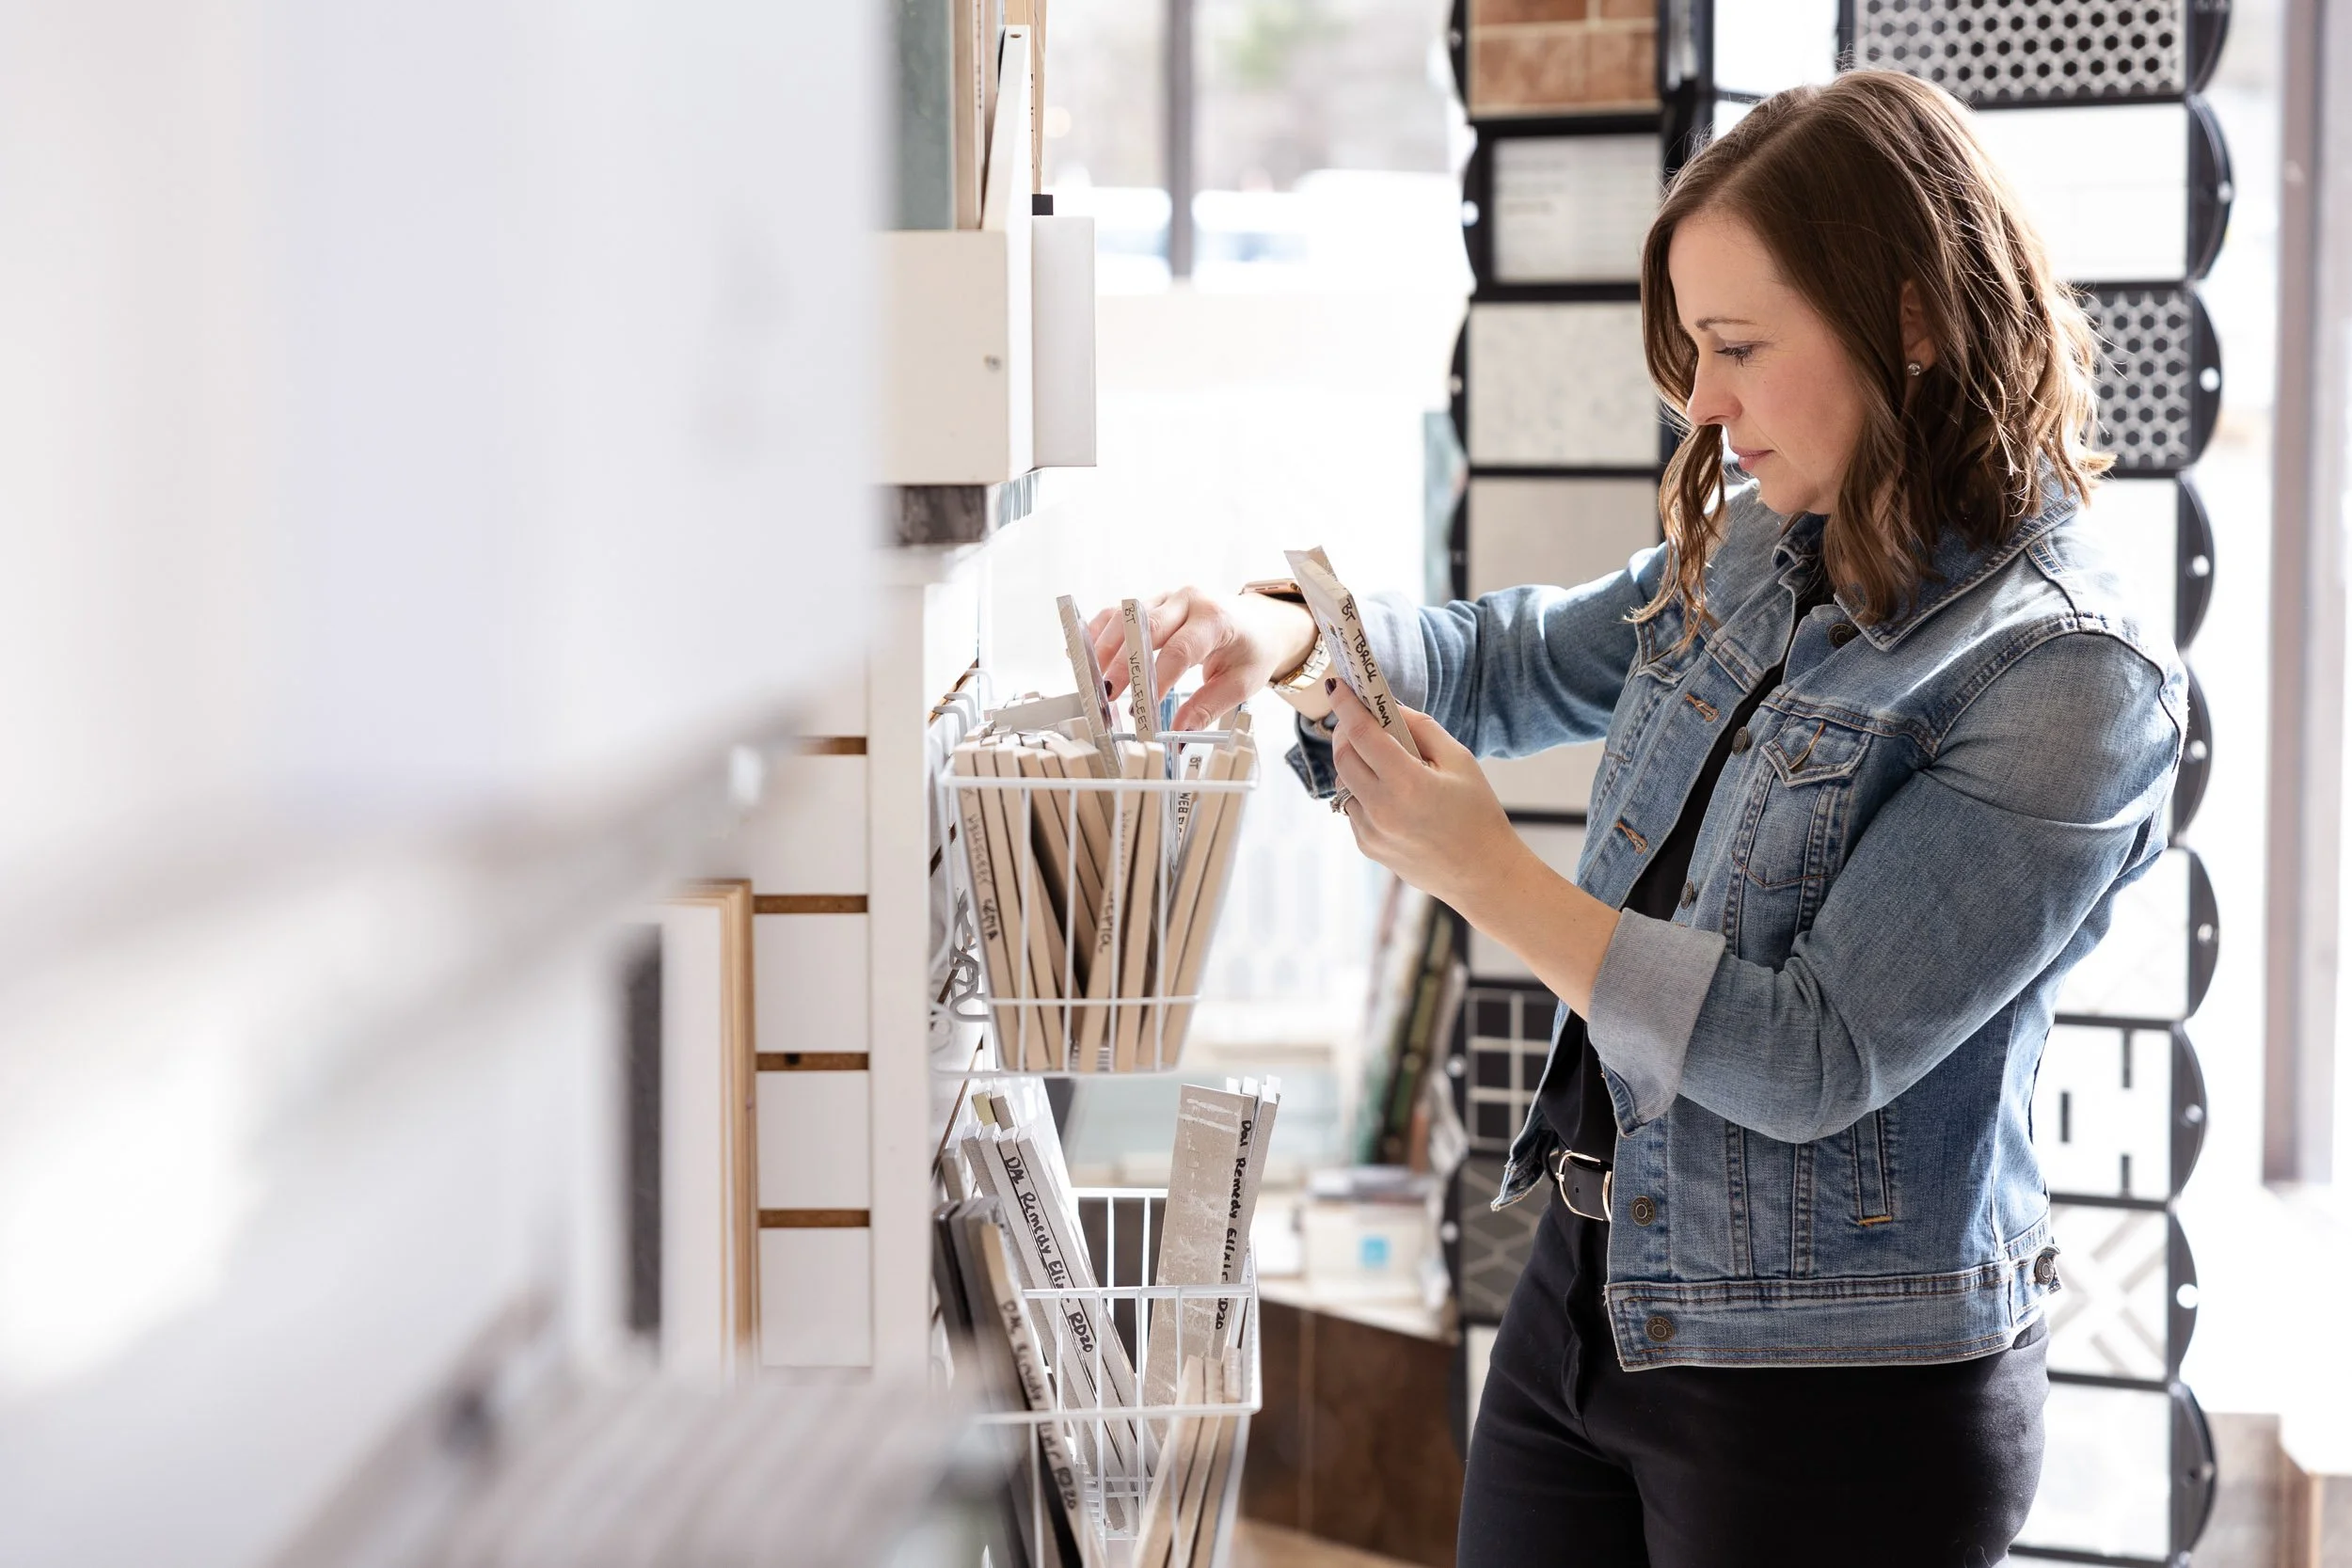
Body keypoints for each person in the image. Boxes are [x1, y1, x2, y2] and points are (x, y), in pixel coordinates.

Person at [1090, 70, 2185, 1568]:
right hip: (1595, 1296)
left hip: (1838, 1396)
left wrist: (1485, 872)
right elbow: (1519, 656)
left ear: (1916, 320)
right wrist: (1281, 635)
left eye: (1737, 347)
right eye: (1695, 351)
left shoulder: (2071, 675)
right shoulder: (1776, 534)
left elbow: (1813, 1054)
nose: (1703, 403)